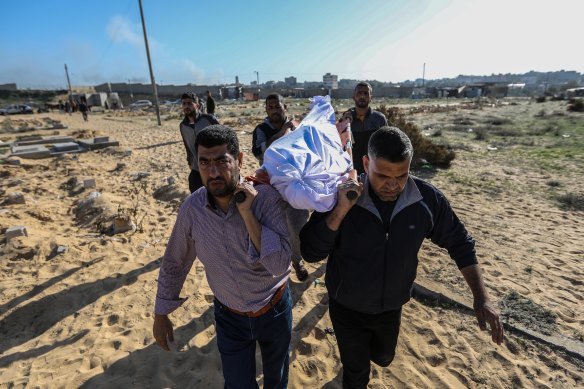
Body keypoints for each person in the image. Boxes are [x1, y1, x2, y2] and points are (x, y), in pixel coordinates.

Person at [300, 127, 504, 388]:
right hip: (346, 306)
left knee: (384, 358)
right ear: (365, 163)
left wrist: (481, 296)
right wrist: (340, 211)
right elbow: (311, 252)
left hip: (391, 306)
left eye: (402, 175)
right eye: (383, 175)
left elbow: (460, 242)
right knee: (356, 372)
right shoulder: (341, 195)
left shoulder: (426, 200)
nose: (393, 185)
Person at [153, 125, 294, 389]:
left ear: (239, 160)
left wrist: (248, 214)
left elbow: (277, 265)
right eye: (205, 163)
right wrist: (161, 314)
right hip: (230, 317)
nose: (213, 172)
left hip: (273, 309)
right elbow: (175, 261)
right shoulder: (193, 209)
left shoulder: (266, 199)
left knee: (277, 379)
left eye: (222, 161)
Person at [252, 93, 310, 282]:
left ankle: (296, 261)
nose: (275, 110)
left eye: (278, 106)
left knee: (298, 226)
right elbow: (262, 150)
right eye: (271, 107)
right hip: (269, 187)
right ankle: (275, 265)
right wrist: (283, 131)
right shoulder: (261, 129)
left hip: (295, 185)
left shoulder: (296, 127)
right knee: (270, 227)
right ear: (266, 110)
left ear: (284, 107)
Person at [340, 82, 388, 175]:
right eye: (359, 93)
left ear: (371, 98)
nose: (362, 96)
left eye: (366, 93)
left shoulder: (379, 119)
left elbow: (386, 146)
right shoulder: (346, 120)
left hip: (375, 171)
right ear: (354, 97)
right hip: (352, 172)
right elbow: (340, 147)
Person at [179, 91, 219, 193]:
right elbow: (187, 147)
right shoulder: (183, 126)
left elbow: (225, 140)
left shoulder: (209, 120)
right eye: (184, 103)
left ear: (197, 105)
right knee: (196, 196)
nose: (186, 106)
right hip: (197, 169)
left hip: (215, 167)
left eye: (189, 103)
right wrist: (190, 162)